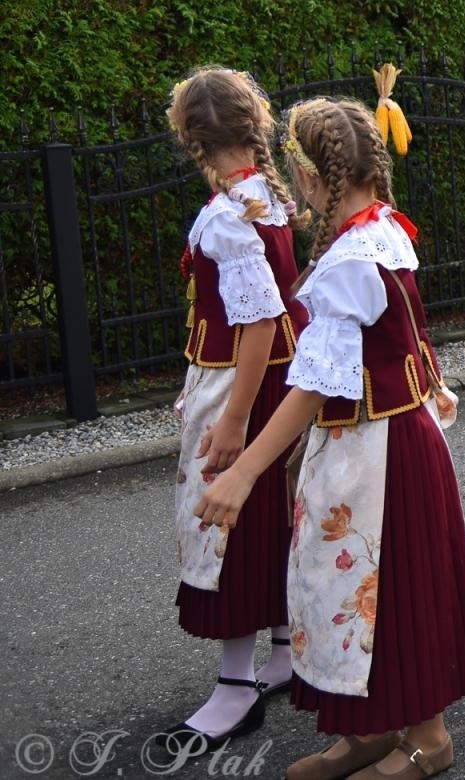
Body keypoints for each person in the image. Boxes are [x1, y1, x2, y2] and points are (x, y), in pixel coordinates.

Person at [195, 97, 465, 780]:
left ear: (308, 174)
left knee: (393, 590)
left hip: (381, 453)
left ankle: (429, 739)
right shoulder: (379, 228)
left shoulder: (353, 258)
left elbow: (312, 389)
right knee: (349, 588)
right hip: (378, 441)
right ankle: (374, 726)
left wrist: (243, 474)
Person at [162, 66, 309, 752]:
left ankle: (235, 683)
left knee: (227, 517)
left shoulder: (229, 216)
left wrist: (230, 421)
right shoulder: (264, 197)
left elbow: (255, 323)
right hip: (271, 378)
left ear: (191, 137)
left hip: (242, 387)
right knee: (270, 514)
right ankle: (282, 648)